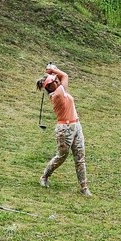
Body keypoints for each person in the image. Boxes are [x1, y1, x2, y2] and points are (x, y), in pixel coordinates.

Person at [36, 64, 91, 196]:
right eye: (53, 82)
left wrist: (51, 72)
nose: (57, 81)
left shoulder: (59, 90)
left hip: (76, 125)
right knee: (61, 157)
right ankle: (44, 176)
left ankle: (84, 187)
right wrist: (52, 69)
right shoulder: (58, 94)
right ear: (49, 87)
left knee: (80, 157)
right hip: (64, 130)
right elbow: (64, 76)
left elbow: (61, 77)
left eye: (56, 80)